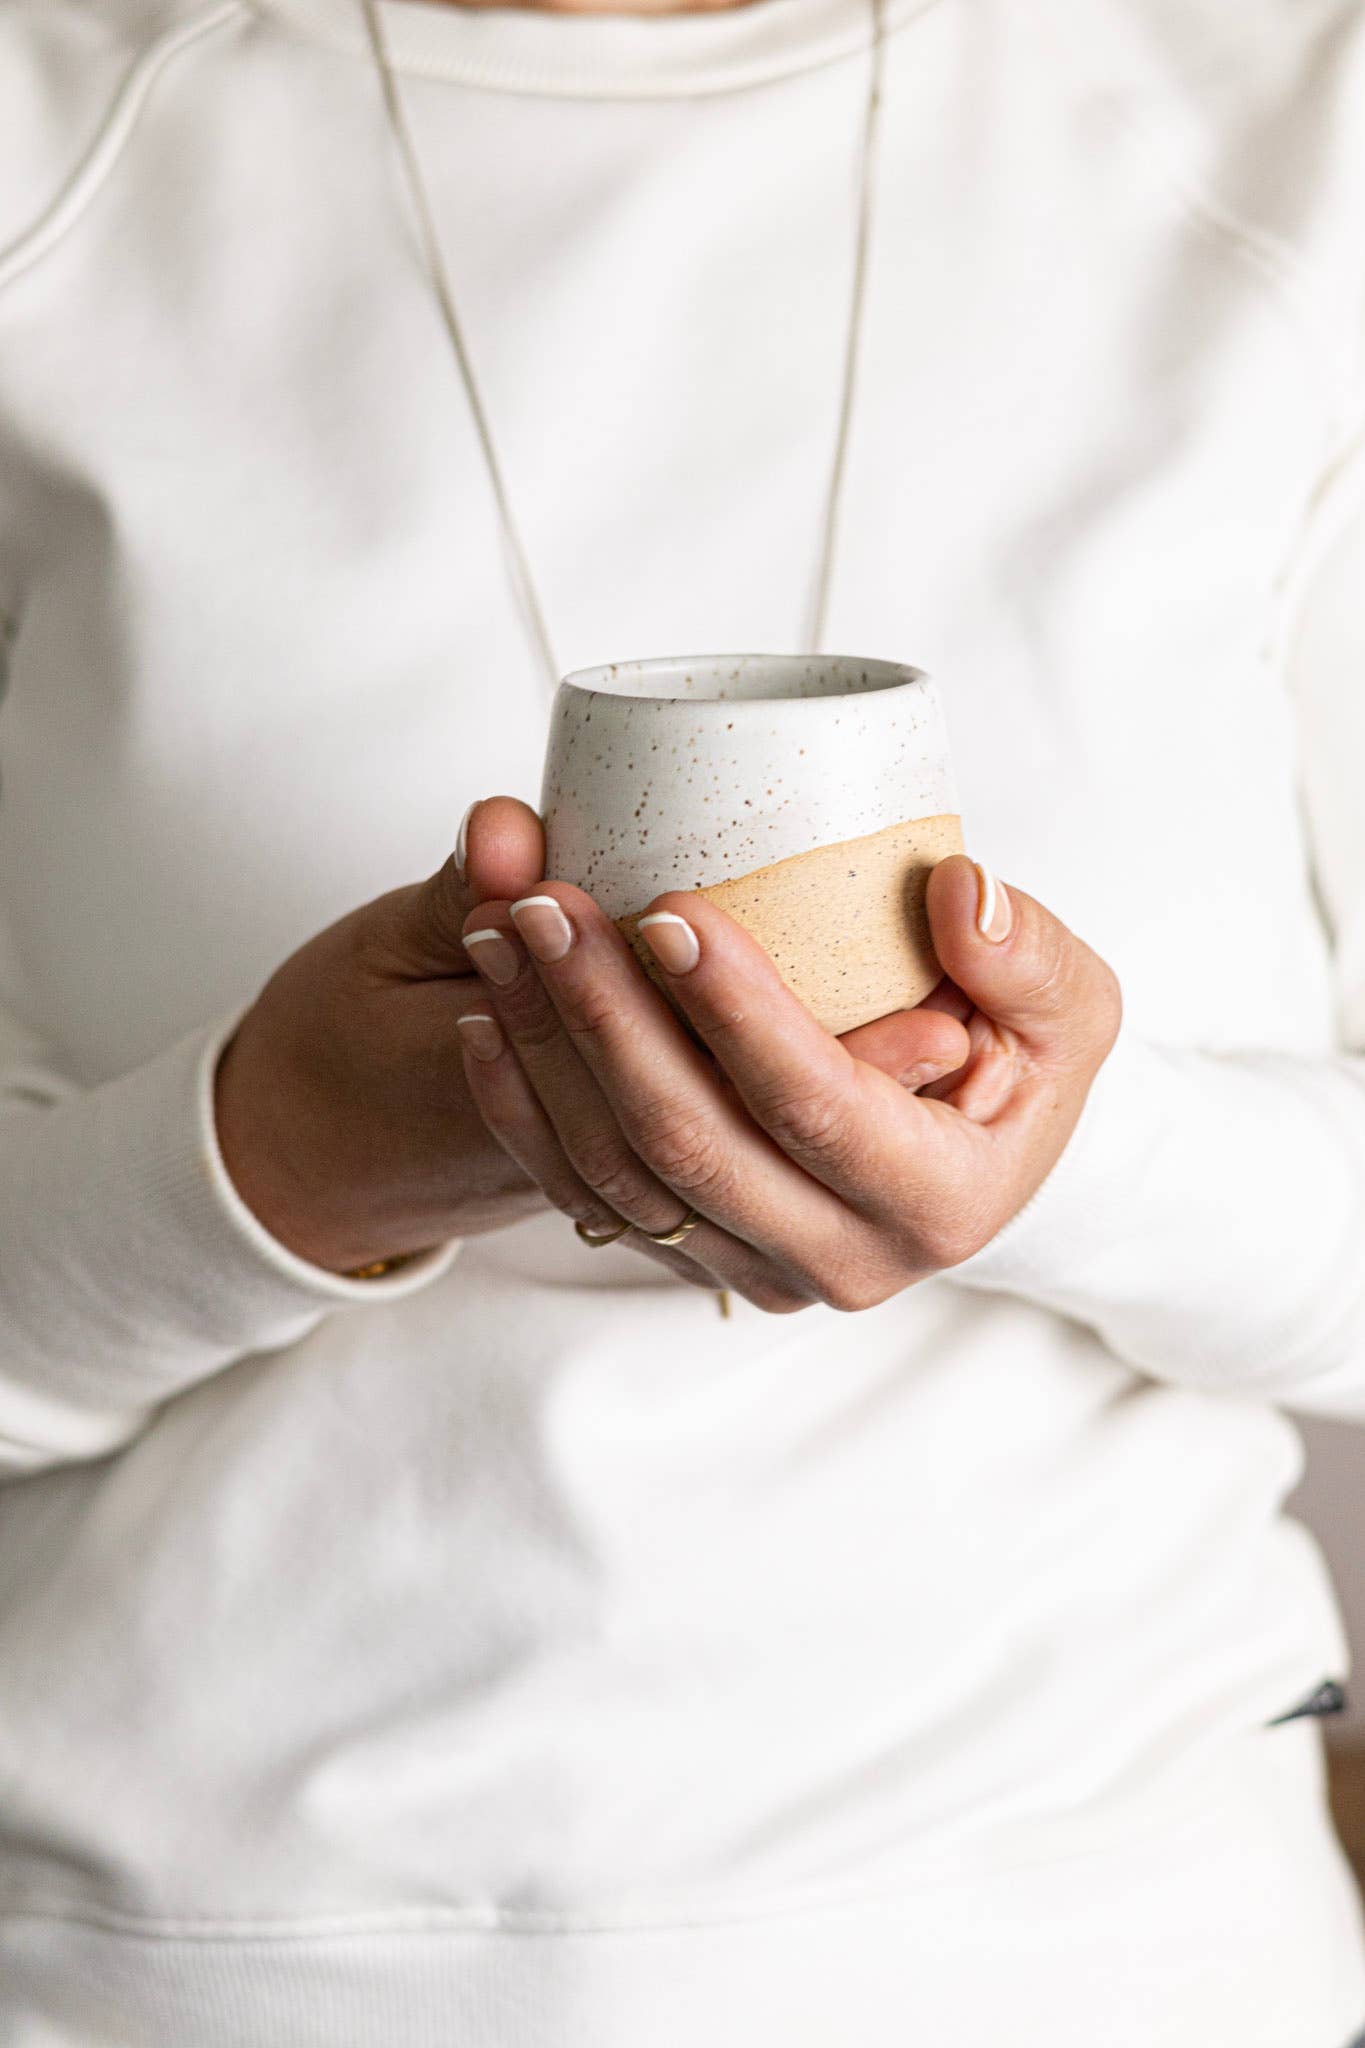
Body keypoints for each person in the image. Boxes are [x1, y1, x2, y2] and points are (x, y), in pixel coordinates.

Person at [1, 0, 1364, 2040]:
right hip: (181, 1970)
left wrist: (1068, 1150)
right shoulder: (55, 144)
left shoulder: (1288, 134)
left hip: (1092, 1955)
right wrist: (268, 1152)